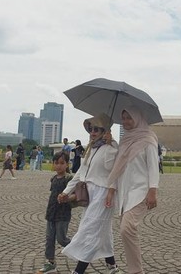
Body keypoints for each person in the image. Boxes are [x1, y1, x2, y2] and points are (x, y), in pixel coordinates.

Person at [59, 114, 120, 274]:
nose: (92, 132)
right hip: (89, 194)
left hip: (104, 194)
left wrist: (111, 144)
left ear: (104, 131)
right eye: (91, 129)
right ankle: (112, 266)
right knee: (103, 231)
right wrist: (65, 191)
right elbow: (80, 173)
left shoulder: (111, 148)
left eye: (97, 129)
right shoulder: (90, 148)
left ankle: (78, 271)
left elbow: (112, 171)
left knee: (90, 230)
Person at [106, 106, 160, 274]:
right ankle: (134, 270)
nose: (126, 122)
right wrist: (111, 190)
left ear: (137, 118)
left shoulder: (148, 140)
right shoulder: (125, 141)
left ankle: (136, 271)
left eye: (129, 118)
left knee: (127, 228)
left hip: (141, 191)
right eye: (123, 118)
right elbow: (117, 167)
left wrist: (153, 191)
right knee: (126, 231)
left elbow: (153, 167)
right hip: (125, 193)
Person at [35, 151, 73, 274]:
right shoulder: (53, 178)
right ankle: (50, 262)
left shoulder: (69, 179)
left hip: (63, 214)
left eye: (62, 163)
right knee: (49, 238)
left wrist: (67, 198)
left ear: (67, 164)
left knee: (62, 239)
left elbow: (74, 195)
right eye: (56, 163)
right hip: (51, 212)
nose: (59, 166)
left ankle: (80, 250)